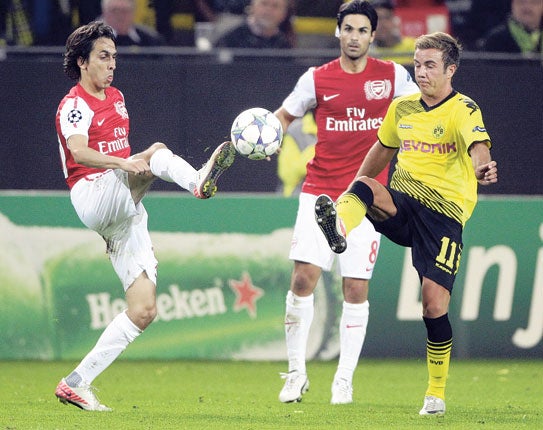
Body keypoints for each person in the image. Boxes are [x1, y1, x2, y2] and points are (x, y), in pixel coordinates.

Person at [53, 21, 235, 411]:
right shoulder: (73, 105)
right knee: (155, 153)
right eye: (104, 56)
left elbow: (125, 164)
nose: (112, 64)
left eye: (114, 57)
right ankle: (199, 182)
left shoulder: (116, 97)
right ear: (83, 62)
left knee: (144, 309)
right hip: (91, 193)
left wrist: (129, 170)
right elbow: (80, 152)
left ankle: (76, 382)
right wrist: (127, 163)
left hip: (124, 210)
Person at [314, 32, 498, 415]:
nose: (422, 71)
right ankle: (340, 229)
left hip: (444, 217)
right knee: (364, 187)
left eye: (430, 65)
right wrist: (350, 190)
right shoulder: (402, 107)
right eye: (417, 64)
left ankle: (435, 393)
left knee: (433, 307)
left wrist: (482, 166)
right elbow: (381, 149)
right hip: (403, 204)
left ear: (451, 69)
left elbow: (477, 145)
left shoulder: (463, 109)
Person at [274, 0, 419, 405]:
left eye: (362, 30)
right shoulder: (316, 79)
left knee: (355, 288)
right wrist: (262, 130)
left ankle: (343, 381)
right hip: (319, 192)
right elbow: (284, 117)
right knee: (303, 280)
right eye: (348, 29)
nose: (354, 37)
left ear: (373, 35)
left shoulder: (393, 77)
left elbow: (421, 112)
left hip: (367, 197)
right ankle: (296, 374)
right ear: (337, 32)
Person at [214, 0, 294, 48]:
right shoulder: (230, 38)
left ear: (284, 14)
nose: (268, 10)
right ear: (252, 7)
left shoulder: (285, 43)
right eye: (264, 3)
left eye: (275, 6)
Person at [478, 0, 542, 54]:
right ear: (512, 5)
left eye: (534, 2)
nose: (527, 7)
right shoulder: (494, 41)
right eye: (521, 2)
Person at [276, 111, 317, 197]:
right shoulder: (296, 129)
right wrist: (318, 150)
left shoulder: (348, 129)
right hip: (297, 200)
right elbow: (288, 175)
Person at [100, 0, 165, 46]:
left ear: (133, 13)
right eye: (115, 10)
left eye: (125, 11)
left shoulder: (151, 40)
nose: (120, 16)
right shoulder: (93, 39)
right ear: (104, 13)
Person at [370, 0, 415, 65]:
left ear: (395, 20)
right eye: (377, 19)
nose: (382, 23)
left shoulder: (413, 46)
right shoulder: (366, 53)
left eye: (386, 18)